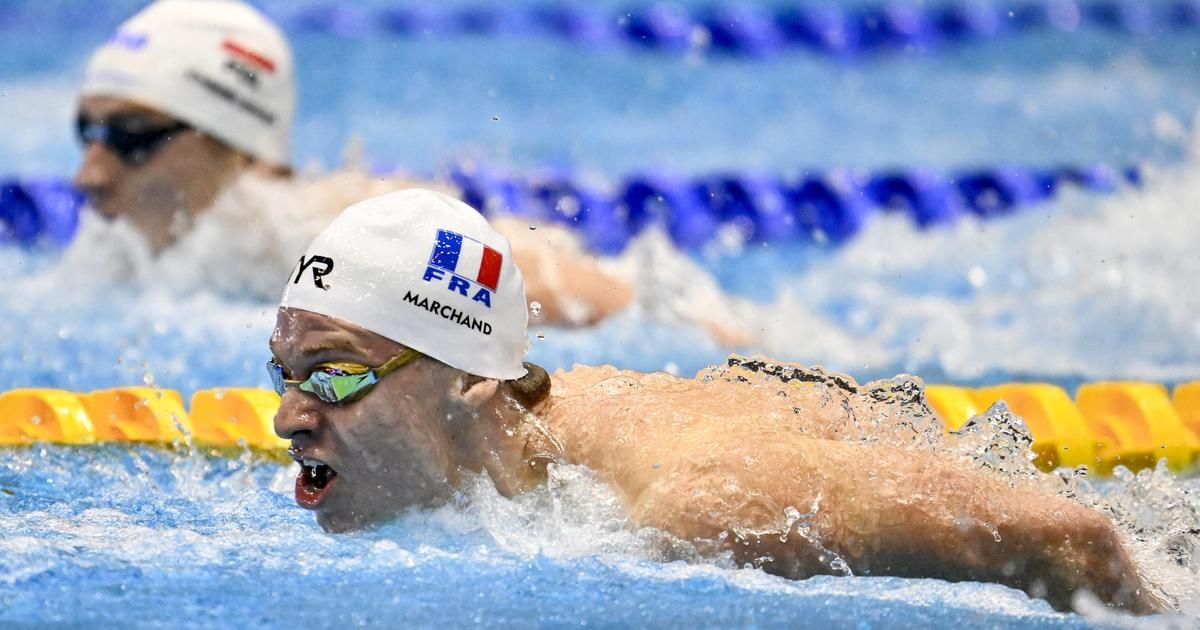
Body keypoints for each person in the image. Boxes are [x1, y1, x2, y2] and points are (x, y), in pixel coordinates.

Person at [268, 188, 1162, 614]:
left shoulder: (701, 508)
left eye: (336, 376)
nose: (289, 417)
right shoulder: (525, 449)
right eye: (286, 373)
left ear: (471, 381)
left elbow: (1073, 539)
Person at [68, 0, 639, 327]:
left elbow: (591, 295)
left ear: (239, 149)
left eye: (132, 136)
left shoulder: (330, 234)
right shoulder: (116, 252)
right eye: (87, 133)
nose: (89, 175)